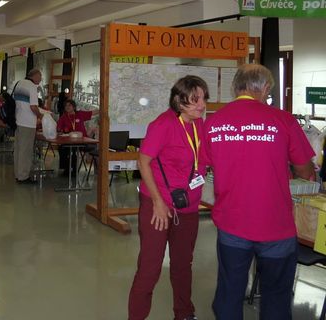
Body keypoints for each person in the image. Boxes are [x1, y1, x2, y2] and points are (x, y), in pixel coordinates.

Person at [201, 64, 314, 320]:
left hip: (232, 223)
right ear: (265, 88)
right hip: (275, 225)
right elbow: (305, 169)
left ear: (235, 87)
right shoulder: (283, 120)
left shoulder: (214, 122)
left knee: (229, 293)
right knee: (276, 297)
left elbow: (205, 164)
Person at [128, 75, 209, 320]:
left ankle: (184, 313)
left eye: (203, 99)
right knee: (150, 268)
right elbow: (143, 162)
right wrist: (158, 202)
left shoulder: (199, 124)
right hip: (158, 204)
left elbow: (203, 158)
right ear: (179, 101)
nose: (202, 105)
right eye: (195, 100)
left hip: (188, 206)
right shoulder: (163, 124)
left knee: (183, 265)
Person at [13, 69, 43, 184]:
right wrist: (40, 115)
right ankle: (23, 176)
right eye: (40, 76)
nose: (40, 79)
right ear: (34, 76)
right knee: (26, 150)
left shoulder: (19, 83)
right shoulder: (32, 87)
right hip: (28, 123)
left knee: (19, 149)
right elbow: (33, 107)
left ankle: (18, 174)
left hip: (18, 120)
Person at [56, 99, 99, 176]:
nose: (67, 107)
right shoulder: (63, 117)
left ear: (74, 107)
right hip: (69, 141)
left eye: (69, 105)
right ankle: (66, 169)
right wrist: (61, 131)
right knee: (62, 148)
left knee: (73, 150)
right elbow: (59, 129)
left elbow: (93, 113)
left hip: (83, 141)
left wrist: (103, 108)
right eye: (66, 105)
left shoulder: (80, 114)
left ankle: (74, 171)